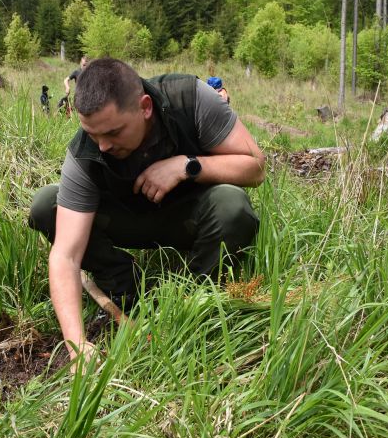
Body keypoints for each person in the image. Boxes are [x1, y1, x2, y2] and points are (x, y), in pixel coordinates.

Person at [29, 58, 264, 362]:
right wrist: (78, 345)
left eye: (113, 132)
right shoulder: (86, 153)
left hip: (189, 217)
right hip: (125, 220)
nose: (102, 146)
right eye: (92, 134)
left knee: (233, 206)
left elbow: (256, 167)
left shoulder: (190, 99)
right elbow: (65, 255)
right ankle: (125, 286)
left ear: (145, 107)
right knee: (47, 204)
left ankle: (190, 300)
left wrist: (187, 166)